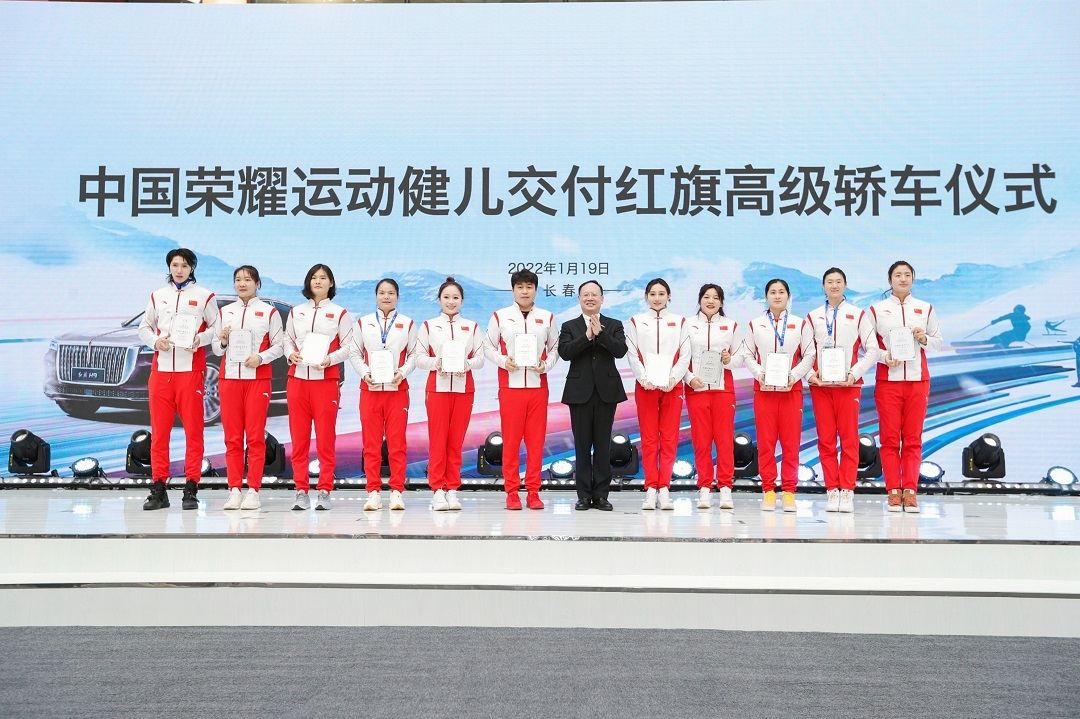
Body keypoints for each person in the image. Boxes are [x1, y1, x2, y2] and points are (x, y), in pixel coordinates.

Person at [137, 248, 220, 511]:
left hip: (190, 373)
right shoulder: (157, 295)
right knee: (159, 434)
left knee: (194, 432)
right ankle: (158, 488)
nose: (179, 270)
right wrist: (155, 341)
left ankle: (191, 488)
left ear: (192, 268)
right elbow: (144, 327)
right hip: (161, 373)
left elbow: (217, 328)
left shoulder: (205, 296)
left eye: (184, 265)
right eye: (175, 265)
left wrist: (200, 339)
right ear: (169, 267)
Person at [801, 268, 878, 514]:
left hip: (848, 386)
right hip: (821, 387)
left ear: (845, 285)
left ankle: (847, 490)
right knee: (825, 439)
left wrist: (853, 373)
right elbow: (805, 352)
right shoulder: (813, 317)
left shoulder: (858, 315)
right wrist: (810, 376)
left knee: (849, 439)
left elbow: (872, 350)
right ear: (823, 286)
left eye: (838, 281)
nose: (834, 285)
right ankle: (831, 489)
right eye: (829, 282)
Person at [868, 260, 943, 513]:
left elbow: (938, 343)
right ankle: (893, 490)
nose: (902, 279)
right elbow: (867, 347)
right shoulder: (876, 310)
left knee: (912, 438)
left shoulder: (925, 308)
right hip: (888, 382)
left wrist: (924, 338)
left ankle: (910, 490)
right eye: (898, 275)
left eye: (907, 275)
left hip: (917, 381)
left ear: (913, 279)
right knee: (889, 439)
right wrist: (885, 357)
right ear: (889, 279)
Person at [485, 270, 559, 511]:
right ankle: (512, 492)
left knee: (536, 442)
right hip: (510, 388)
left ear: (536, 290)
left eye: (529, 287)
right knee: (511, 441)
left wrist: (545, 365)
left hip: (538, 388)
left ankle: (534, 491)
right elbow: (487, 347)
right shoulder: (500, 316)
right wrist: (503, 360)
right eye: (520, 287)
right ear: (513, 290)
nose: (525, 291)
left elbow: (555, 348)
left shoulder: (547, 317)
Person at [212, 265, 285, 511]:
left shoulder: (269, 312)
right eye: (238, 280)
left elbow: (279, 346)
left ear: (257, 283)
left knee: (255, 437)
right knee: (232, 438)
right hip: (229, 379)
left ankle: (253, 490)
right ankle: (234, 489)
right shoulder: (225, 312)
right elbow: (216, 349)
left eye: (247, 279)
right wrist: (223, 340)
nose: (242, 284)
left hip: (257, 379)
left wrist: (260, 358)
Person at [740, 278, 814, 513]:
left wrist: (794, 375)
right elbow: (747, 354)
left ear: (788, 296)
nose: (777, 296)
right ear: (766, 296)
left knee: (791, 443)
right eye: (773, 292)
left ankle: (789, 490)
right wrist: (759, 373)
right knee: (766, 443)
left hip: (791, 390)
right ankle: (769, 490)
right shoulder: (756, 324)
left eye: (782, 292)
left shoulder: (799, 324)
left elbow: (809, 355)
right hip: (764, 391)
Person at [284, 264, 353, 512]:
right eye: (314, 277)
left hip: (326, 382)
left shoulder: (339, 313)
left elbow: (349, 346)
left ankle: (324, 489)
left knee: (325, 438)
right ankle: (301, 490)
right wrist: (290, 354)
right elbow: (287, 339)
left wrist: (330, 359)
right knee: (299, 439)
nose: (318, 281)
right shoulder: (296, 312)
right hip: (298, 381)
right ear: (308, 281)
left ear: (331, 283)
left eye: (323, 278)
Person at [415, 277, 485, 511]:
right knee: (438, 441)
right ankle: (437, 490)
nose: (451, 301)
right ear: (439, 300)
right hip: (437, 389)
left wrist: (467, 364)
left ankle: (452, 489)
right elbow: (419, 358)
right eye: (446, 297)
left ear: (462, 301)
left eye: (455, 297)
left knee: (456, 441)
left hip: (464, 389)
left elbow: (480, 358)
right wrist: (437, 362)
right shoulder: (429, 326)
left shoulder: (472, 327)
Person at [558, 280, 628, 511]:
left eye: (594, 294)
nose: (590, 298)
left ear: (602, 299)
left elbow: (620, 350)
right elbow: (565, 352)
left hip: (607, 392)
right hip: (579, 393)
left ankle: (601, 496)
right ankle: (583, 495)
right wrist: (587, 336)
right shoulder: (569, 326)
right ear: (579, 299)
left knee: (603, 445)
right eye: (585, 294)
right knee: (581, 446)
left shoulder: (614, 324)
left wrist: (601, 334)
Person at [349, 278, 417, 512]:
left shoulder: (407, 324)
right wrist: (365, 373)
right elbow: (354, 353)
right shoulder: (363, 322)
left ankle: (397, 491)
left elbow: (414, 355)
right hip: (370, 390)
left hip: (397, 390)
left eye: (391, 293)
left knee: (397, 444)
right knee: (371, 444)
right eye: (382, 292)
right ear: (376, 296)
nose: (386, 297)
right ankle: (373, 492)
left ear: (397, 296)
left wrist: (402, 372)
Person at [625, 278, 691, 511]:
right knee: (649, 438)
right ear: (646, 297)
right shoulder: (636, 321)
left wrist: (673, 378)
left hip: (672, 387)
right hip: (646, 387)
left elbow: (685, 353)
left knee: (670, 437)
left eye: (661, 293)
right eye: (652, 294)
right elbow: (632, 353)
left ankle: (664, 487)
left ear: (669, 296)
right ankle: (651, 487)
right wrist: (644, 378)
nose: (657, 298)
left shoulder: (680, 322)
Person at [683, 284, 742, 510]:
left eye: (716, 298)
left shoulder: (730, 325)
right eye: (706, 297)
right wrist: (689, 379)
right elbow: (681, 357)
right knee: (701, 440)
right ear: (699, 300)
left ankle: (725, 487)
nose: (711, 301)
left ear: (721, 302)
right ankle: (705, 487)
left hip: (723, 390)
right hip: (697, 389)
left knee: (724, 440)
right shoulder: (687, 324)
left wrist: (729, 360)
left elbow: (740, 357)